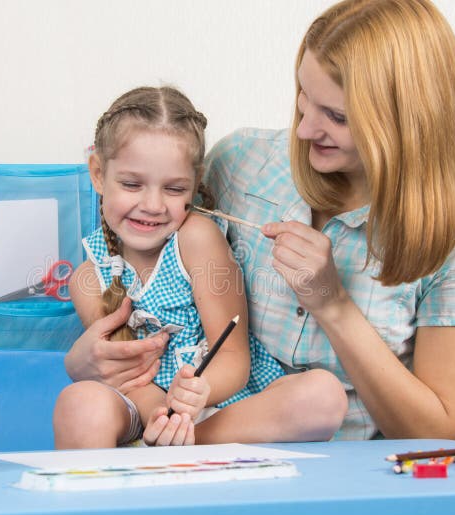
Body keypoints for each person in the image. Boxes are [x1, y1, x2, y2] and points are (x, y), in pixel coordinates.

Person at [63, 0, 455, 442]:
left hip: (334, 459)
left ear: (406, 122)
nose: (305, 130)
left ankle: (176, 449)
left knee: (317, 396)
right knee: (84, 406)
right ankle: (172, 450)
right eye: (303, 99)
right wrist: (87, 362)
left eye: (337, 117)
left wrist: (333, 305)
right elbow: (134, 250)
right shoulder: (239, 164)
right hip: (191, 424)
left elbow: (439, 432)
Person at [53, 86, 347, 448]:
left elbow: (234, 358)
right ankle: (140, 472)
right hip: (145, 417)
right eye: (131, 184)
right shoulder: (88, 279)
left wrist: (197, 396)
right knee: (80, 403)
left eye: (175, 189)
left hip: (221, 408)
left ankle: (192, 445)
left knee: (324, 395)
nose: (152, 205)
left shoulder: (196, 239)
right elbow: (124, 379)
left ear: (195, 184)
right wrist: (162, 415)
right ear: (98, 173)